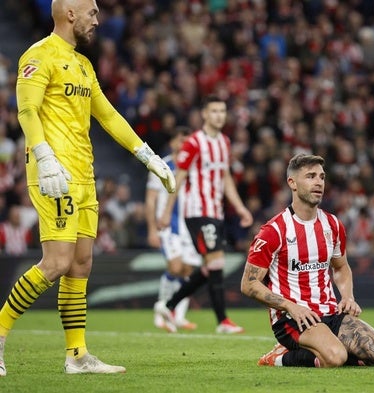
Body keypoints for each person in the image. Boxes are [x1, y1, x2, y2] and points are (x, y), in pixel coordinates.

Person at [0, 0, 175, 377]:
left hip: (83, 176)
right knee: (57, 263)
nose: (98, 19)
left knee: (80, 265)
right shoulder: (39, 55)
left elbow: (108, 114)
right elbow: (27, 110)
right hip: (52, 174)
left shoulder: (83, 65)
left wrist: (148, 156)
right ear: (70, 14)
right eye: (92, 13)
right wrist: (43, 157)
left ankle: (77, 355)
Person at [240, 154, 374, 367]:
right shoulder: (273, 231)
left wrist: (348, 297)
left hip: (329, 312)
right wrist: (290, 306)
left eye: (321, 176)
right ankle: (279, 357)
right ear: (292, 183)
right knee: (336, 358)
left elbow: (341, 267)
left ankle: (325, 347)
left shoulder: (333, 225)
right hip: (293, 317)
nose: (318, 182)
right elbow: (248, 284)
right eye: (310, 176)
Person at [154, 95, 253, 334]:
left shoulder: (224, 142)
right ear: (205, 115)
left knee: (210, 267)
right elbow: (178, 177)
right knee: (217, 261)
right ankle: (222, 321)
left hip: (215, 211)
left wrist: (240, 207)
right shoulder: (194, 142)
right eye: (215, 111)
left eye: (222, 111)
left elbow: (225, 177)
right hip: (197, 211)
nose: (219, 115)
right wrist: (167, 212)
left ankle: (168, 305)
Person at [145, 126, 202, 333]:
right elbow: (151, 200)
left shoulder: (194, 167)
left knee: (187, 270)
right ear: (173, 143)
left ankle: (177, 315)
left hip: (188, 226)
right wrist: (152, 228)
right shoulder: (162, 166)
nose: (184, 145)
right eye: (181, 140)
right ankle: (161, 307)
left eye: (188, 142)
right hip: (168, 225)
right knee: (176, 267)